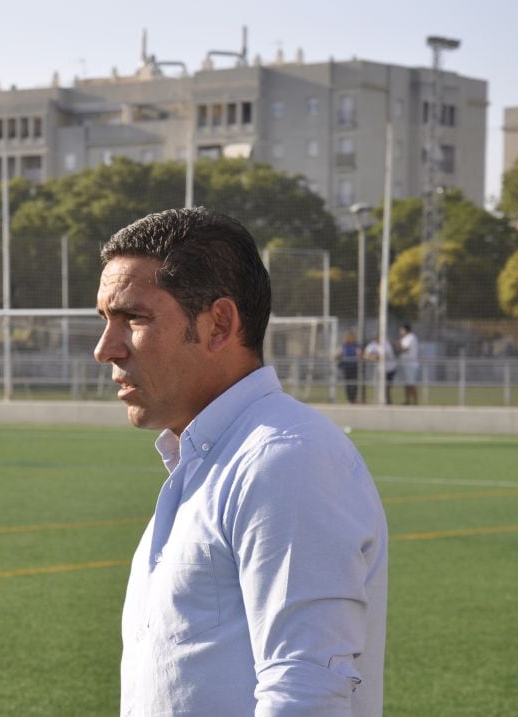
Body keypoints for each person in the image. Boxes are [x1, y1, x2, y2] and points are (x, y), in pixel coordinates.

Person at [94, 207, 387, 716]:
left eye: (134, 318)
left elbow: (307, 695)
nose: (106, 349)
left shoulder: (285, 459)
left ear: (219, 324)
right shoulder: (209, 460)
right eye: (105, 320)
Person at [363, 334, 397, 405]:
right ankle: (382, 401)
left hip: (390, 368)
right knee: (380, 386)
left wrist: (375, 356)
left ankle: (388, 401)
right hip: (380, 370)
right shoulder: (372, 344)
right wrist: (373, 357)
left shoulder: (386, 343)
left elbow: (385, 355)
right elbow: (365, 355)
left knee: (387, 387)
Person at [336, 328, 362, 404]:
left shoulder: (345, 345)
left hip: (347, 366)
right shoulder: (355, 345)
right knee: (353, 383)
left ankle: (350, 399)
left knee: (348, 383)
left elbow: (338, 353)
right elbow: (359, 354)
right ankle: (352, 399)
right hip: (353, 366)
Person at [397, 323, 420, 405]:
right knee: (407, 384)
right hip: (405, 364)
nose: (400, 331)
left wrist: (396, 344)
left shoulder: (410, 337)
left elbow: (405, 349)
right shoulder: (405, 338)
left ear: (406, 330)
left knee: (411, 383)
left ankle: (415, 401)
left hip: (411, 364)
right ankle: (408, 401)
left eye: (402, 329)